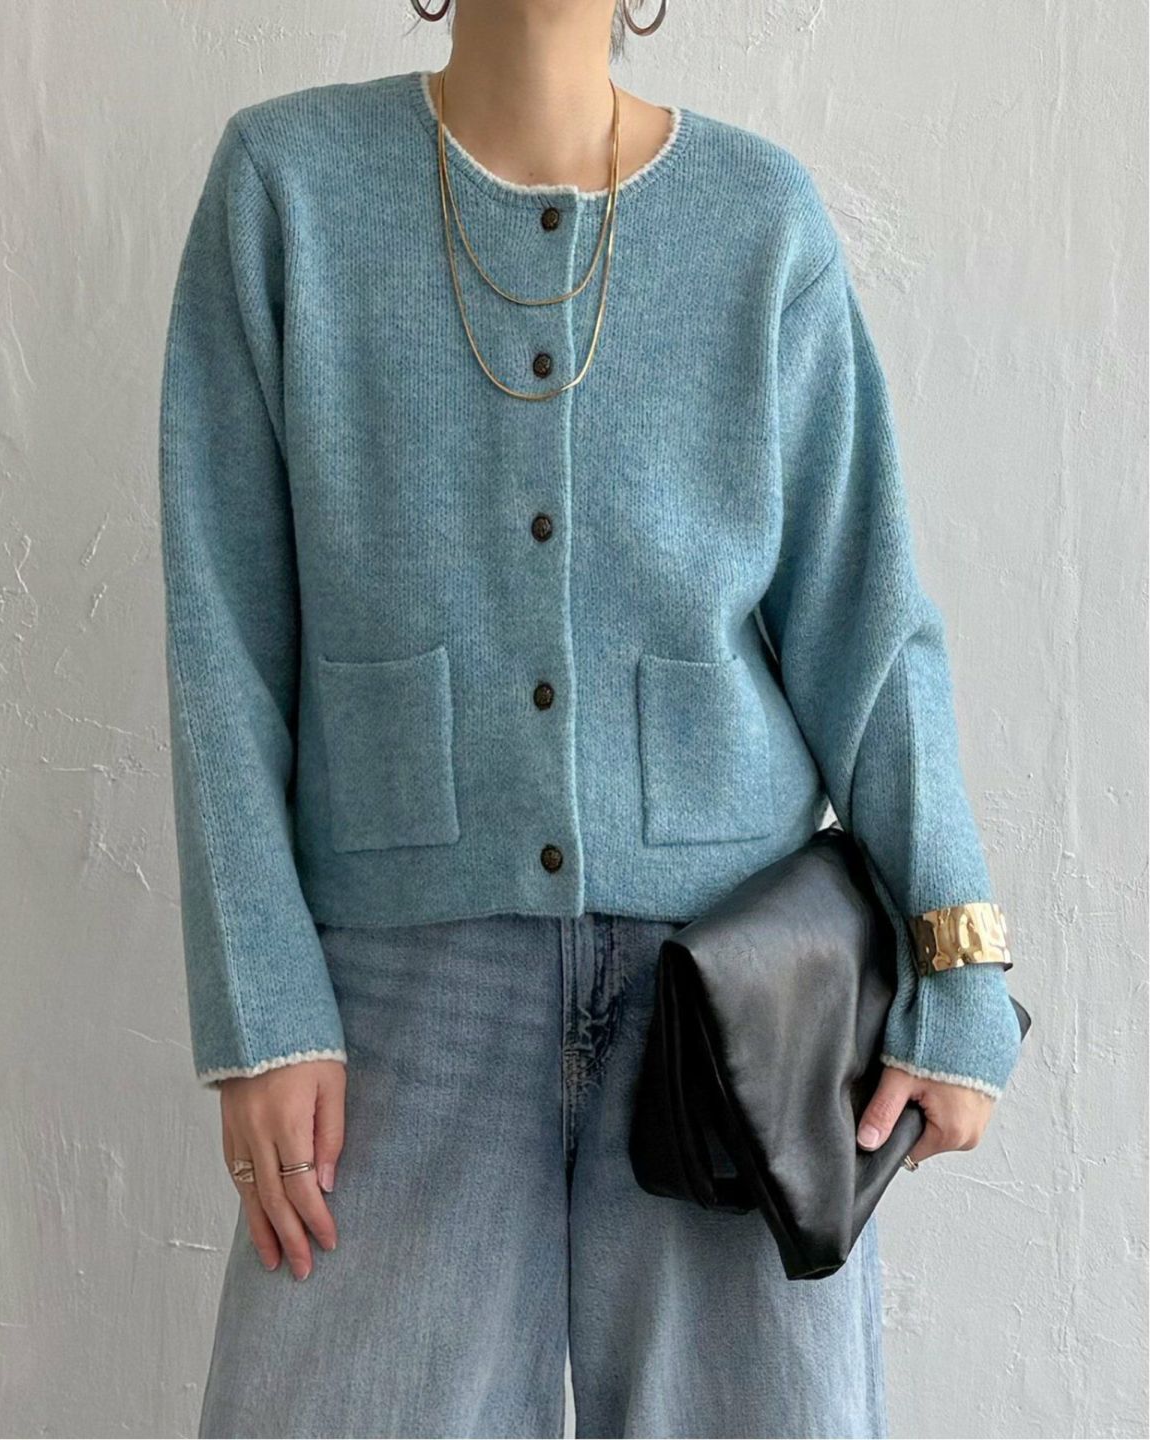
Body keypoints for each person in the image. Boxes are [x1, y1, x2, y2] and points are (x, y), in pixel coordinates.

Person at [156, 3, 1025, 1435]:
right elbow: (223, 640)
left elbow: (868, 630)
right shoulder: (286, 191)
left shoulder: (762, 221)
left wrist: (959, 963)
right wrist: (262, 1010)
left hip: (734, 1009)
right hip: (397, 1003)